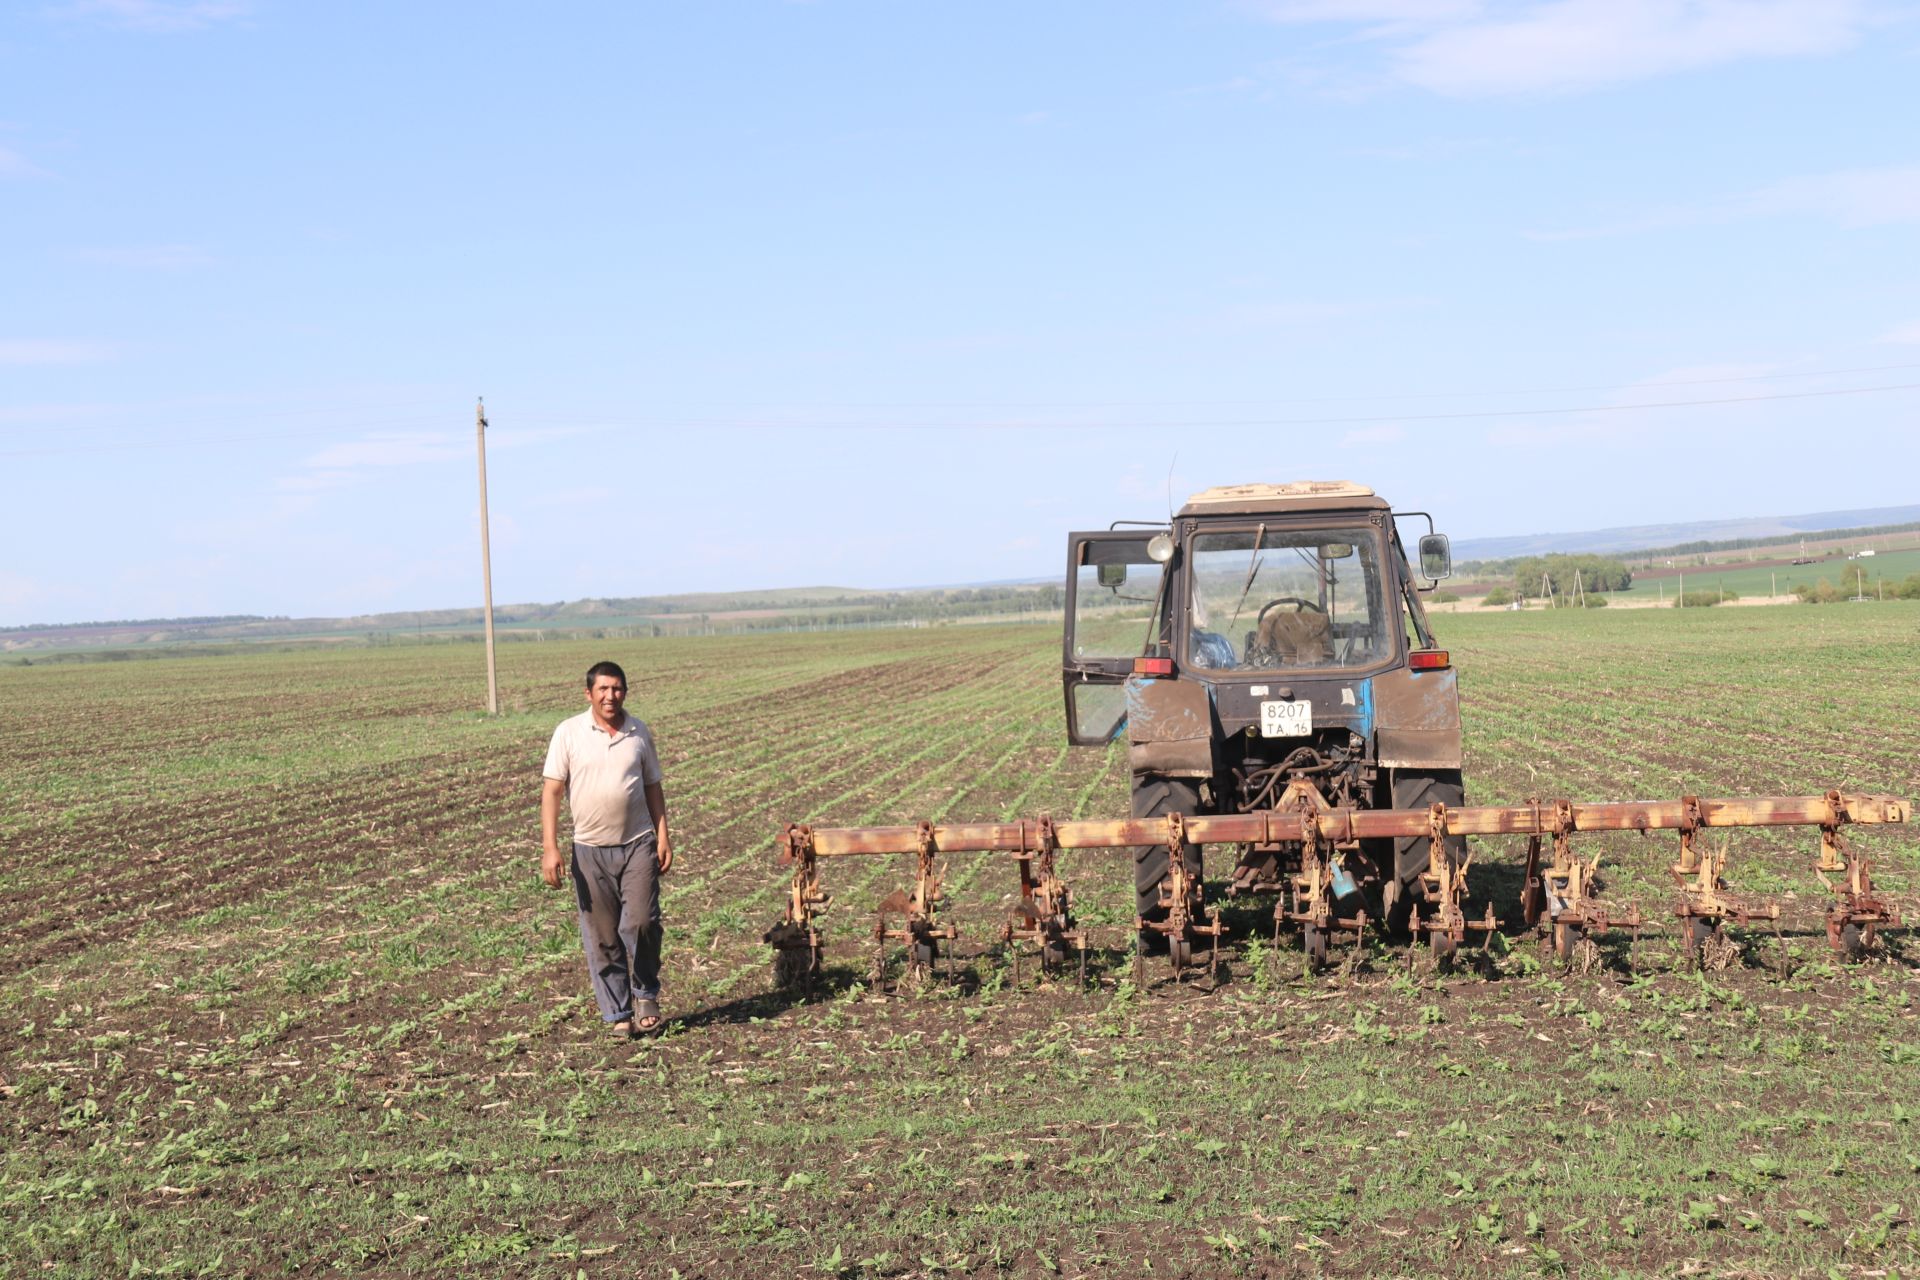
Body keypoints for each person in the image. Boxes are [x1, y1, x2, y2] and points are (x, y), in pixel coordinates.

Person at [540, 660, 673, 1037]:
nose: (610, 696)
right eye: (602, 689)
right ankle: (618, 1013)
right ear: (589, 694)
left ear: (625, 692)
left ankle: (645, 992)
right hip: (589, 850)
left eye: (616, 689)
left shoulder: (638, 732)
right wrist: (550, 848)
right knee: (602, 935)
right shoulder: (568, 733)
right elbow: (551, 792)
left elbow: (653, 788)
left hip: (637, 843)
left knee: (642, 922)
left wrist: (663, 835)